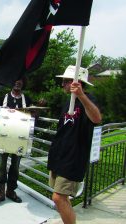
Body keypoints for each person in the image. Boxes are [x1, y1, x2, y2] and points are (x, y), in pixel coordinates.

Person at [47, 65, 102, 224]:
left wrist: (81, 96)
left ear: (76, 82)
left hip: (73, 158)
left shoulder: (88, 99)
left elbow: (97, 118)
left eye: (65, 81)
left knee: (58, 198)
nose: (62, 84)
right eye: (63, 81)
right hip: (59, 155)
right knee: (62, 198)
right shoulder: (68, 102)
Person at [0, 79, 32, 204]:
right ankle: (0, 192)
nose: (18, 83)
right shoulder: (3, 98)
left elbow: (32, 116)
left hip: (19, 139)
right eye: (15, 80)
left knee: (15, 167)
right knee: (1, 166)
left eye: (20, 81)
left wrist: (36, 112)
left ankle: (10, 191)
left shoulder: (28, 100)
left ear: (23, 84)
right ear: (12, 83)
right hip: (4, 137)